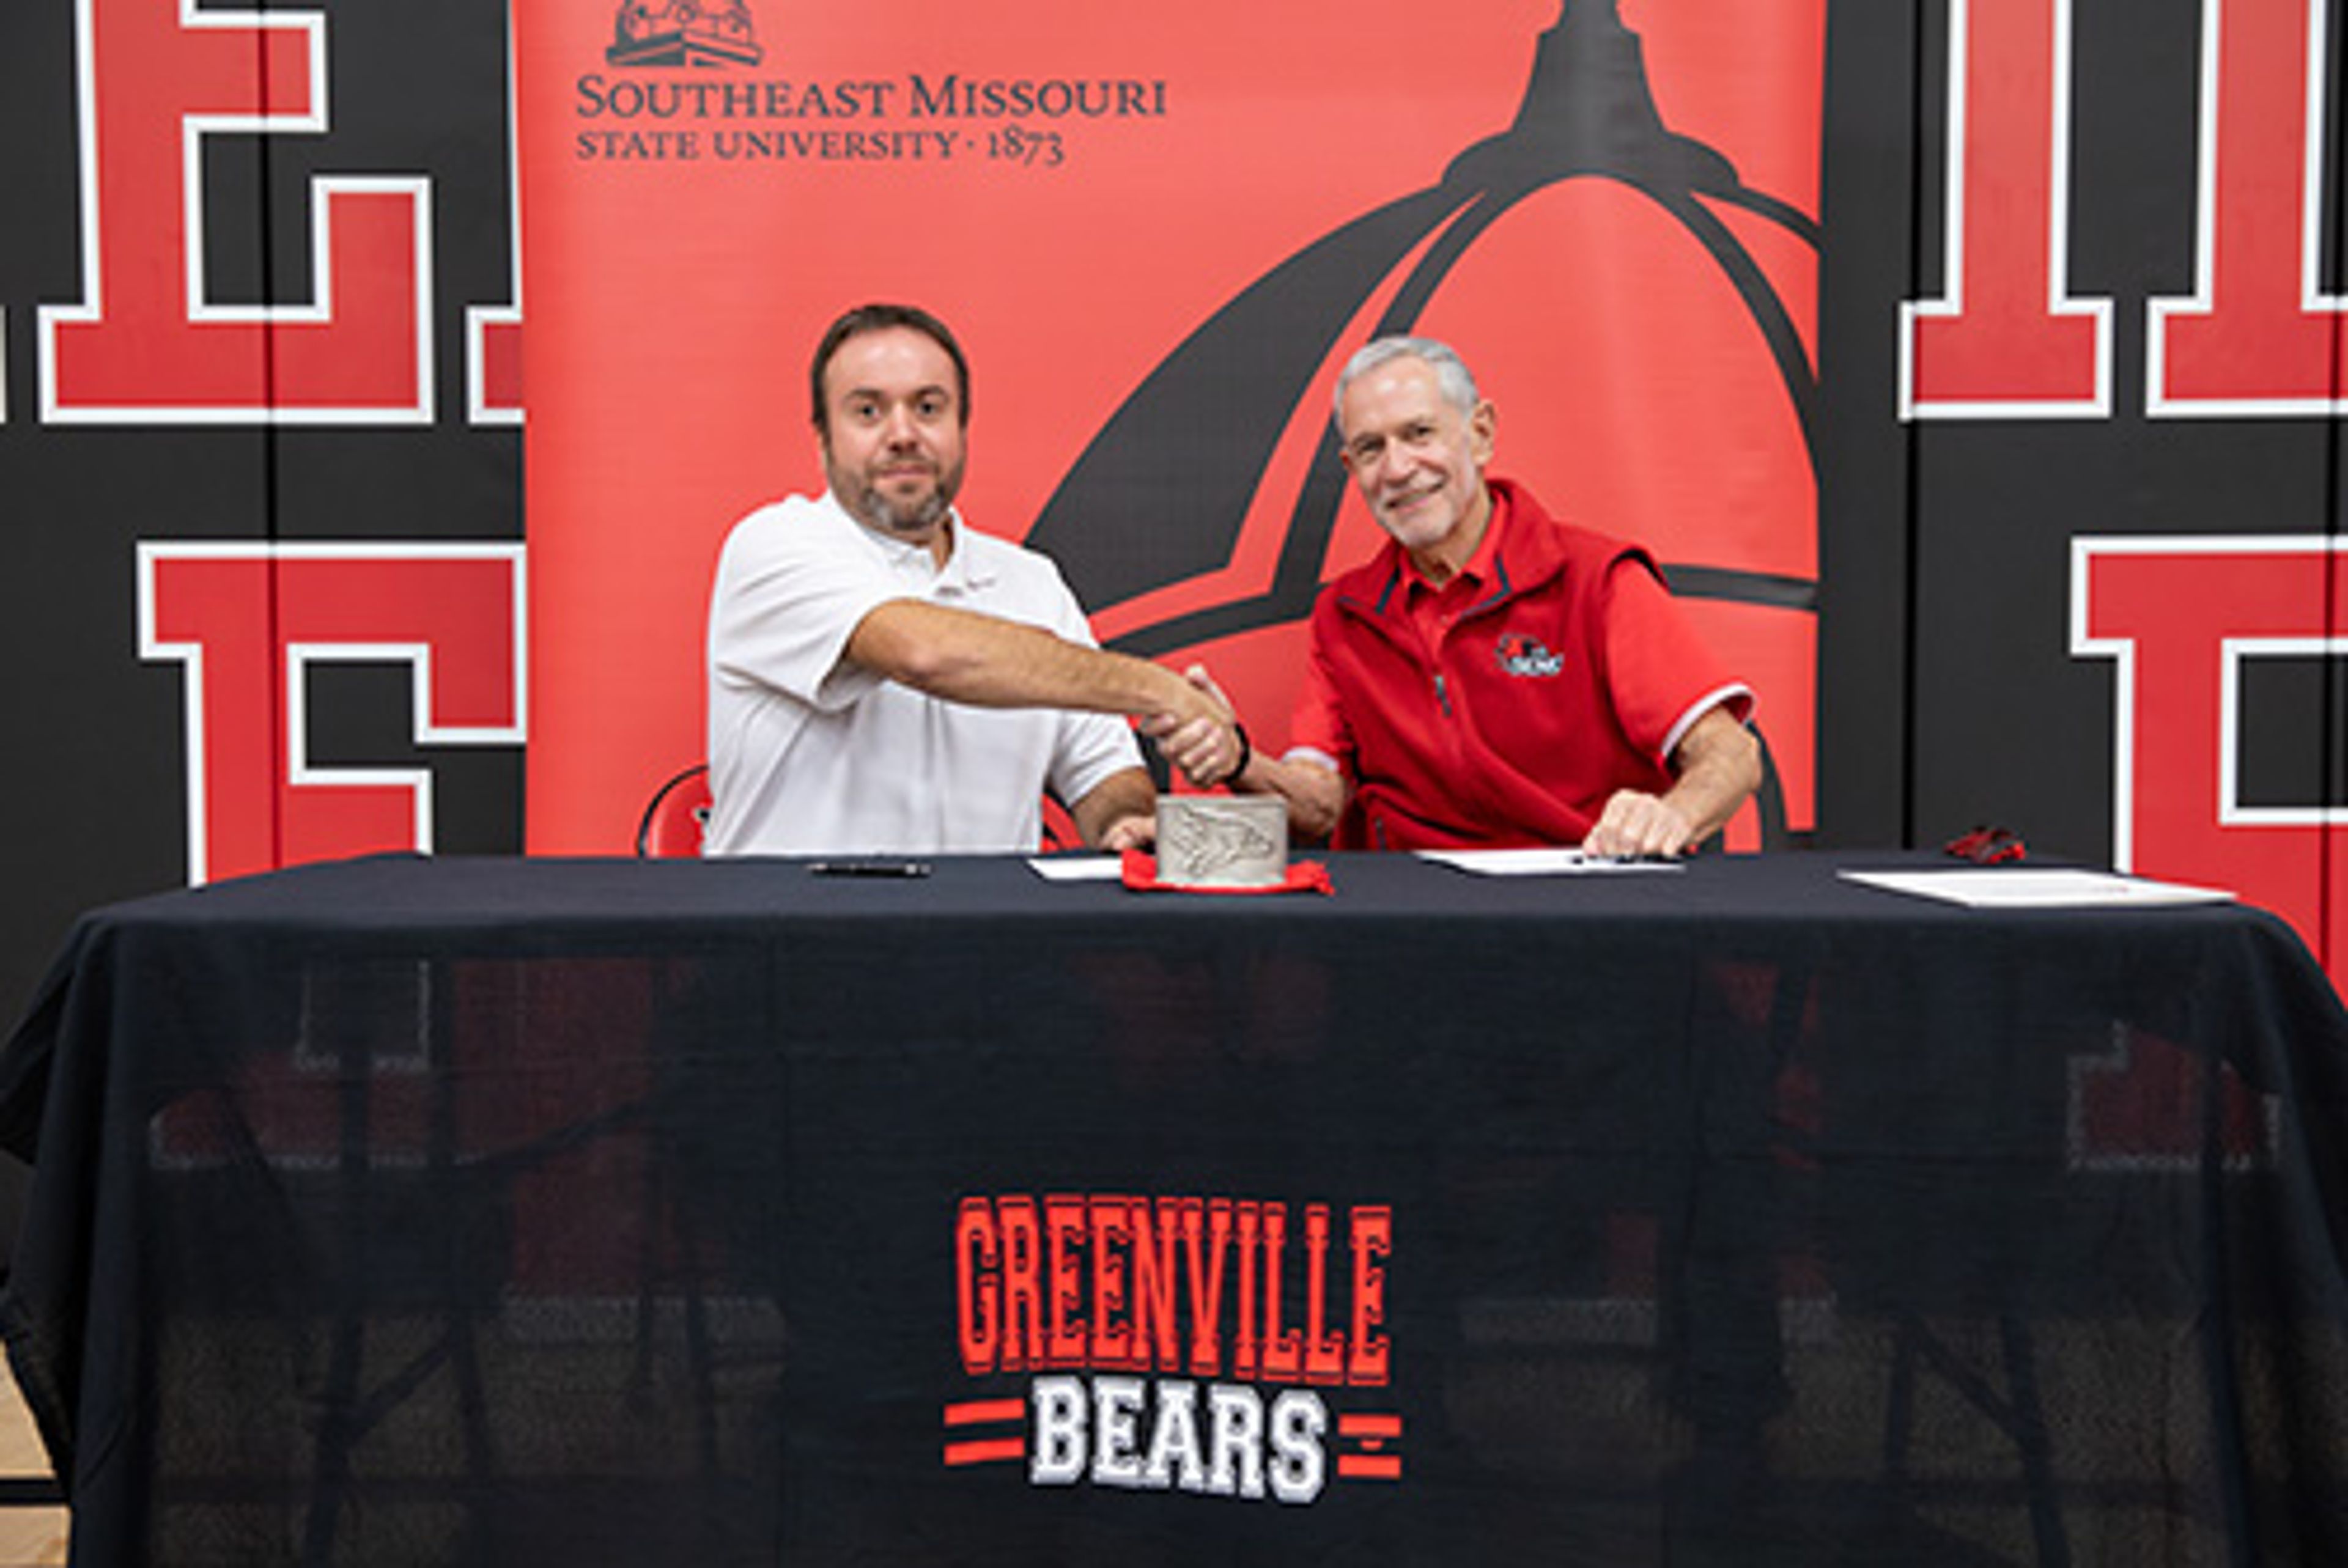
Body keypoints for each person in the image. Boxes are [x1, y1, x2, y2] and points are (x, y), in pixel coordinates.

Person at [1180, 334, 1759, 856]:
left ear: (1480, 433)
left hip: (1588, 907)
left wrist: (1671, 815)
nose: (1400, 468)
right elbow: (1319, 806)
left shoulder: (1597, 579)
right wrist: (1238, 759)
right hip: (1411, 929)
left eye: (1419, 433)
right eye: (1371, 449)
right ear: (1350, 467)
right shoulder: (1346, 616)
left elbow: (1732, 755)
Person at [703, 302, 1240, 856]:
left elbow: (1103, 768)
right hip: (793, 929)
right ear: (822, 441)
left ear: (961, 430)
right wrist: (1162, 690)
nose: (903, 434)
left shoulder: (1032, 582)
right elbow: (923, 653)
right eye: (868, 412)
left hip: (989, 931)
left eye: (929, 408)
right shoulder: (772, 545)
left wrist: (1124, 820)